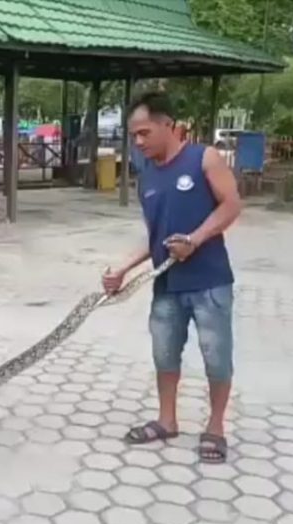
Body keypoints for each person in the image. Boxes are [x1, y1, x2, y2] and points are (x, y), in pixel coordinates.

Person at [102, 91, 242, 463]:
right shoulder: (146, 176)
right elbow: (155, 235)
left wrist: (195, 240)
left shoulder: (204, 159)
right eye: (134, 136)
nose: (139, 142)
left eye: (145, 133)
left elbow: (232, 205)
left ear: (169, 125)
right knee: (164, 354)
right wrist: (123, 269)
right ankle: (167, 420)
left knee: (216, 356)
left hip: (210, 282)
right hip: (167, 286)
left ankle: (215, 427)